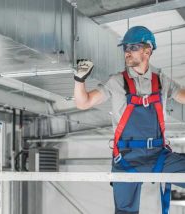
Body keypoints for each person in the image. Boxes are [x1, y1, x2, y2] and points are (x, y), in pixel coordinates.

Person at [74, 26, 185, 214]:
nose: (127, 52)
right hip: (126, 158)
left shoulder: (162, 81)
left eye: (132, 47)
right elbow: (83, 103)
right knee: (125, 212)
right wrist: (79, 80)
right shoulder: (116, 82)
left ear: (147, 51)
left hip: (158, 155)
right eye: (125, 48)